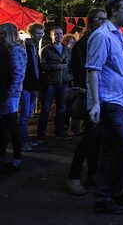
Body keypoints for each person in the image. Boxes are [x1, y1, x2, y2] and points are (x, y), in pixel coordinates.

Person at [87, 0, 123, 214]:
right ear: (113, 11)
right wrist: (95, 103)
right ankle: (105, 195)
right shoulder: (102, 36)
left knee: (110, 150)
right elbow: (93, 70)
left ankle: (113, 193)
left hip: (120, 100)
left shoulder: (118, 37)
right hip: (108, 102)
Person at [65, 8, 106, 196]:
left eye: (106, 19)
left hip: (100, 96)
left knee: (96, 139)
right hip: (88, 96)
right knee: (89, 138)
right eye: (101, 19)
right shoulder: (83, 44)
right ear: (91, 22)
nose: (104, 22)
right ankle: (74, 176)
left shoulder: (100, 39)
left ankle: (92, 174)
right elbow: (83, 72)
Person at [0, 23, 27, 172]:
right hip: (8, 93)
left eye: (2, 34)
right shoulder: (9, 49)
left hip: (12, 94)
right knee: (4, 126)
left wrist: (10, 92)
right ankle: (3, 155)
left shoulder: (16, 49)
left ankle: (17, 158)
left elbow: (18, 74)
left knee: (12, 126)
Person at [38, 26, 72, 141]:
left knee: (62, 108)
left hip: (64, 83)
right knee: (46, 108)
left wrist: (70, 76)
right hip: (50, 83)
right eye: (56, 34)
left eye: (60, 34)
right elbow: (42, 66)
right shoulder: (46, 50)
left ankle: (59, 132)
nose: (59, 36)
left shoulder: (67, 50)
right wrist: (55, 67)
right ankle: (41, 134)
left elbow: (71, 65)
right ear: (51, 36)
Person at [19, 23, 44, 152]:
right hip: (26, 85)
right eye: (38, 33)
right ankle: (22, 141)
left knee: (28, 113)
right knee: (24, 114)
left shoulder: (34, 47)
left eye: (42, 33)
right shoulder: (26, 46)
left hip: (33, 85)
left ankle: (25, 139)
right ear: (32, 33)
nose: (40, 36)